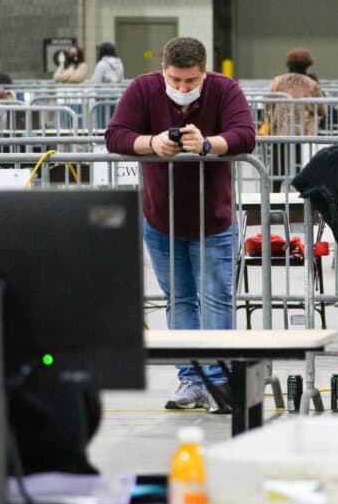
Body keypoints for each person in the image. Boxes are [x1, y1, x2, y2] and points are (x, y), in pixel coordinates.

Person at [105, 37, 256, 410]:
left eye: (191, 81)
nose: (183, 88)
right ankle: (191, 381)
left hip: (214, 221)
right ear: (163, 72)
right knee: (180, 301)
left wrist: (209, 144)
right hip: (161, 220)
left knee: (217, 300)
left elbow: (245, 136)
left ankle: (219, 381)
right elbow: (115, 135)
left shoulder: (225, 89)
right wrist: (150, 142)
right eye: (176, 80)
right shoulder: (142, 89)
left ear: (204, 72)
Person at [268, 48, 325, 191]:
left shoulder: (277, 81)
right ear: (308, 65)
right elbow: (322, 109)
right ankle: (303, 204)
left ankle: (273, 201)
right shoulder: (312, 85)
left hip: (280, 134)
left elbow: (268, 103)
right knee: (303, 170)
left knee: (276, 171)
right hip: (303, 136)